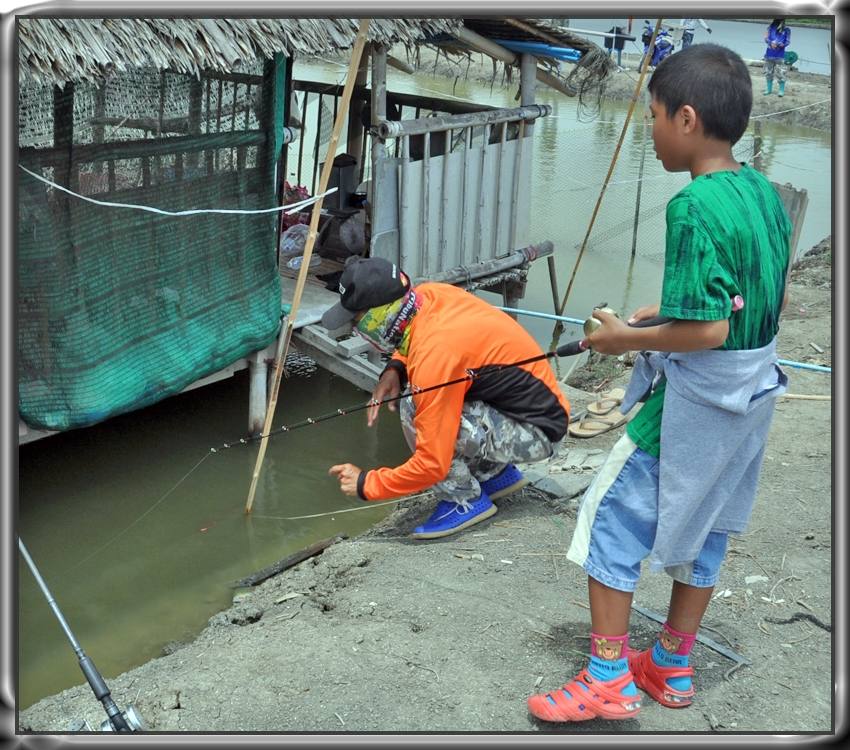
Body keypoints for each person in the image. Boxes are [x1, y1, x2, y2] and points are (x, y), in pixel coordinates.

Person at [528, 43, 791, 724]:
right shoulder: (760, 190)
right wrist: (665, 311)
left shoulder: (693, 206)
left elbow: (705, 335)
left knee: (611, 519)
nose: (648, 130)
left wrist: (623, 340)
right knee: (706, 524)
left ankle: (607, 677)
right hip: (752, 395)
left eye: (651, 116)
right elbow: (736, 304)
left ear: (686, 117)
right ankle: (671, 662)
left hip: (697, 400)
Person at [324, 257, 570, 540]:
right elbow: (417, 342)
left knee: (413, 407)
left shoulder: (434, 355)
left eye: (357, 320)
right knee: (430, 400)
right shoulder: (427, 296)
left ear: (382, 314)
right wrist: (396, 367)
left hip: (538, 434)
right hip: (536, 413)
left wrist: (367, 484)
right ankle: (494, 475)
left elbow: (432, 463)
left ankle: (464, 501)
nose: (356, 329)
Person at [763, 18, 791, 96]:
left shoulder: (787, 30)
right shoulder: (770, 28)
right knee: (768, 72)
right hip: (769, 54)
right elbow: (766, 38)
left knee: (781, 73)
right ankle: (768, 89)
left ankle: (781, 91)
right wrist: (771, 43)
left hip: (780, 55)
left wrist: (781, 44)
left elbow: (788, 41)